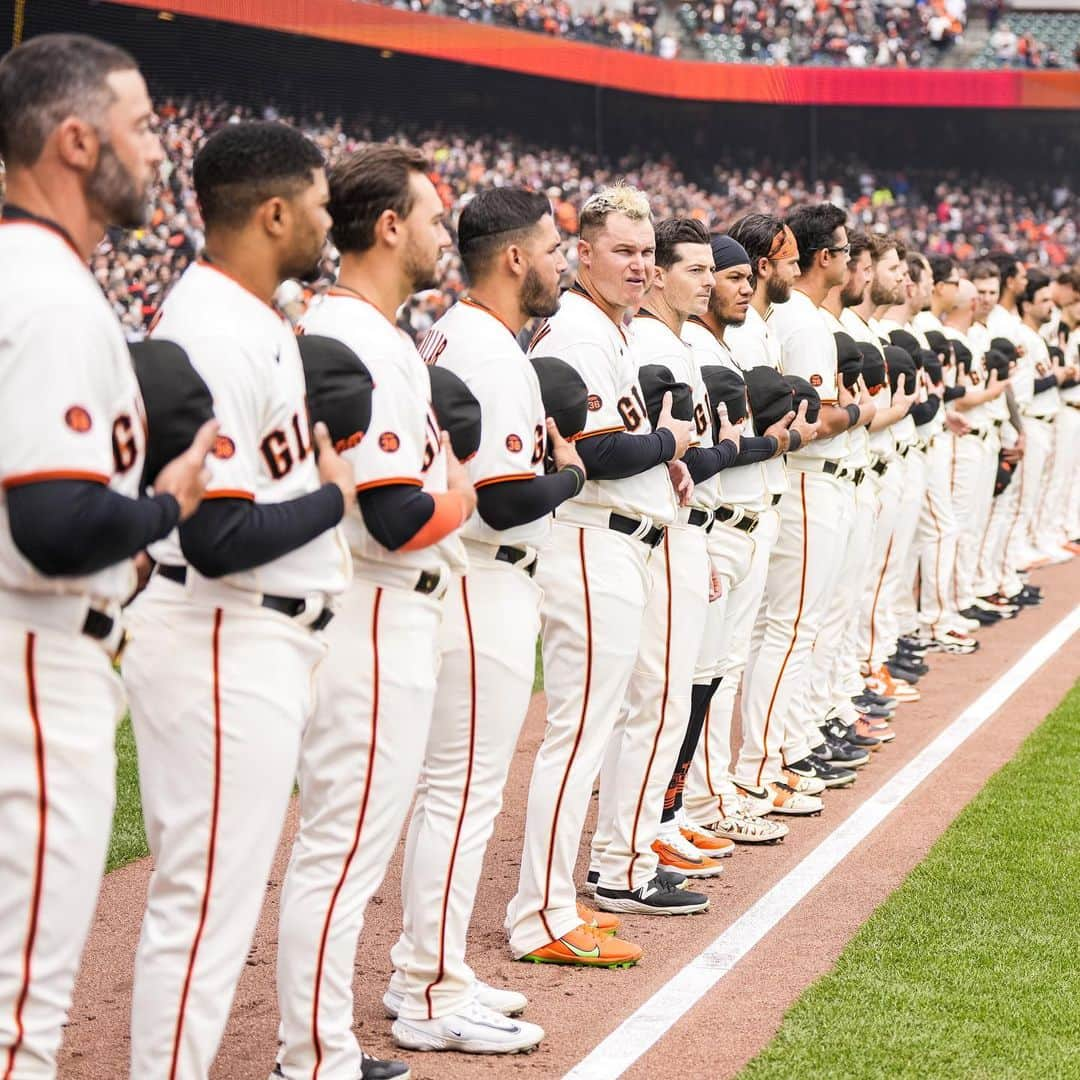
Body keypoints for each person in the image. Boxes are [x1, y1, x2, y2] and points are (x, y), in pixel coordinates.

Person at [122, 121, 357, 1080]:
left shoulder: (256, 314)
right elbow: (215, 537)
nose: (327, 218)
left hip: (259, 633)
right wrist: (333, 497)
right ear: (272, 212)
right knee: (205, 901)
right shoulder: (214, 330)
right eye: (317, 201)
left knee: (215, 895)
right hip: (221, 629)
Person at [0, 34, 214, 1079]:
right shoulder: (46, 290)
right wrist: (165, 505)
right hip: (34, 660)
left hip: (37, 645)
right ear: (77, 141)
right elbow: (52, 524)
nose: (159, 151)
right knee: (17, 1015)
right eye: (139, 127)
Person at [275, 143, 478, 1080]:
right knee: (342, 848)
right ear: (389, 226)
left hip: (387, 614)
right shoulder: (355, 333)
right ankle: (313, 1057)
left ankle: (320, 1048)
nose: (446, 232)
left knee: (347, 843)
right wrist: (467, 497)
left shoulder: (378, 330)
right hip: (369, 610)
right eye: (435, 216)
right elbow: (397, 517)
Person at [385, 187, 586, 1055]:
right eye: (551, 249)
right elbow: (503, 503)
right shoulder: (492, 350)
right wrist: (572, 477)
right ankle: (428, 988)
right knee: (461, 795)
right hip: (481, 581)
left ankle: (434, 970)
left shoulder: (455, 331)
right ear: (513, 258)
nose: (559, 264)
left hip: (464, 583)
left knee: (454, 792)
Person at [508, 184, 696, 968]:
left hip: (614, 539)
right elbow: (605, 451)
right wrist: (671, 446)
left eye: (646, 252)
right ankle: (541, 914)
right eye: (623, 250)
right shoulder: (583, 330)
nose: (639, 265)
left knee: (589, 728)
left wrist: (662, 460)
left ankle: (555, 901)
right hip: (589, 541)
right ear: (582, 254)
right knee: (578, 733)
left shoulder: (604, 328)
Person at [736, 204, 873, 815]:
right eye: (845, 252)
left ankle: (779, 751)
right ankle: (767, 762)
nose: (849, 262)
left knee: (785, 629)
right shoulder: (805, 322)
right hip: (807, 481)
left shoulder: (787, 319)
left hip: (796, 485)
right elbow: (811, 422)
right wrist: (859, 411)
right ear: (827, 258)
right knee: (790, 629)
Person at [681, 226, 811, 840]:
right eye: (727, 277)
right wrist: (776, 436)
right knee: (706, 676)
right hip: (714, 525)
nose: (737, 286)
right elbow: (712, 451)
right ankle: (703, 804)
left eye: (735, 276)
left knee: (720, 671)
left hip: (746, 517)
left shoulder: (723, 347)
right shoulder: (694, 348)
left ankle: (704, 799)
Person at [630, 219, 747, 879]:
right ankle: (644, 832)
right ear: (660, 274)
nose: (706, 282)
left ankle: (663, 820)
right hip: (660, 530)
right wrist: (729, 448)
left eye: (713, 270)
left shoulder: (676, 341)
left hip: (684, 526)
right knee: (660, 694)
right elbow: (677, 453)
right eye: (697, 270)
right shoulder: (653, 340)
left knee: (688, 686)